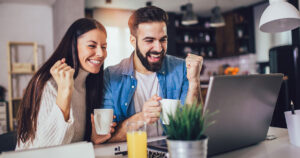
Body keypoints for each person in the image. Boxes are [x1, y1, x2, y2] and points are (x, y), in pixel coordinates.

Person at [102, 6, 203, 142]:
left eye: (163, 40)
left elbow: (193, 128)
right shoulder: (111, 76)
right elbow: (106, 137)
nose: (159, 48)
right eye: (149, 40)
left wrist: (194, 81)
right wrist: (141, 117)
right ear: (133, 41)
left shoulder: (182, 68)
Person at [16, 18, 116, 150]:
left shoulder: (89, 84)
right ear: (73, 46)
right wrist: (65, 91)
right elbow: (45, 150)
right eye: (92, 46)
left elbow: (72, 145)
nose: (101, 53)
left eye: (104, 47)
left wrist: (92, 140)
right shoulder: (48, 83)